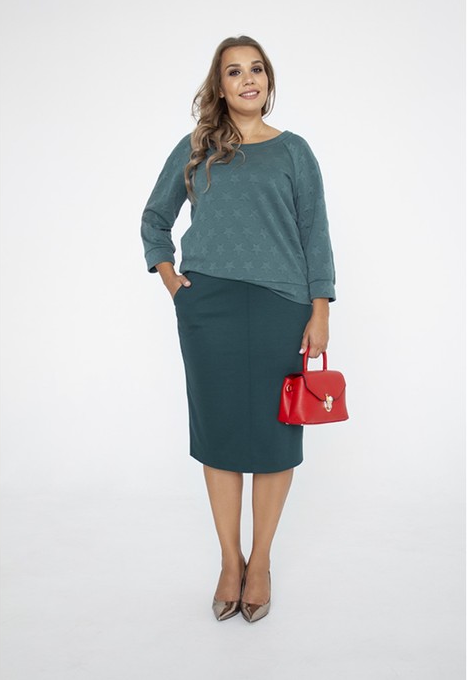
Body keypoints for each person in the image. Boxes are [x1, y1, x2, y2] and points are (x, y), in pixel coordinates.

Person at [140, 35, 337, 622]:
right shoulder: (196, 147)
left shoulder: (295, 151)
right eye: (234, 71)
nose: (248, 79)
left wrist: (321, 308)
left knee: (276, 438)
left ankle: (262, 561)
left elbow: (315, 232)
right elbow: (155, 218)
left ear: (267, 80)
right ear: (220, 86)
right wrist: (173, 281)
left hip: (282, 306)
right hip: (210, 307)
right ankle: (230, 561)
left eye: (256, 69)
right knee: (221, 433)